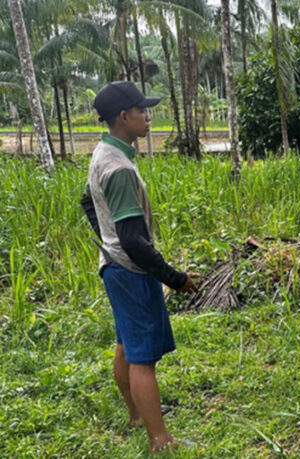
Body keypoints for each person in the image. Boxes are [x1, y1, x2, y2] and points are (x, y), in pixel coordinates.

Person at [80, 81, 199, 453]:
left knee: (125, 345)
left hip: (114, 266)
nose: (148, 116)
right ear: (123, 116)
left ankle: (135, 415)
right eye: (142, 111)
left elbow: (87, 202)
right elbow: (134, 240)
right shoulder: (119, 168)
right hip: (130, 271)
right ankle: (158, 439)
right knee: (143, 359)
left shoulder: (103, 152)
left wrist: (108, 244)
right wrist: (174, 278)